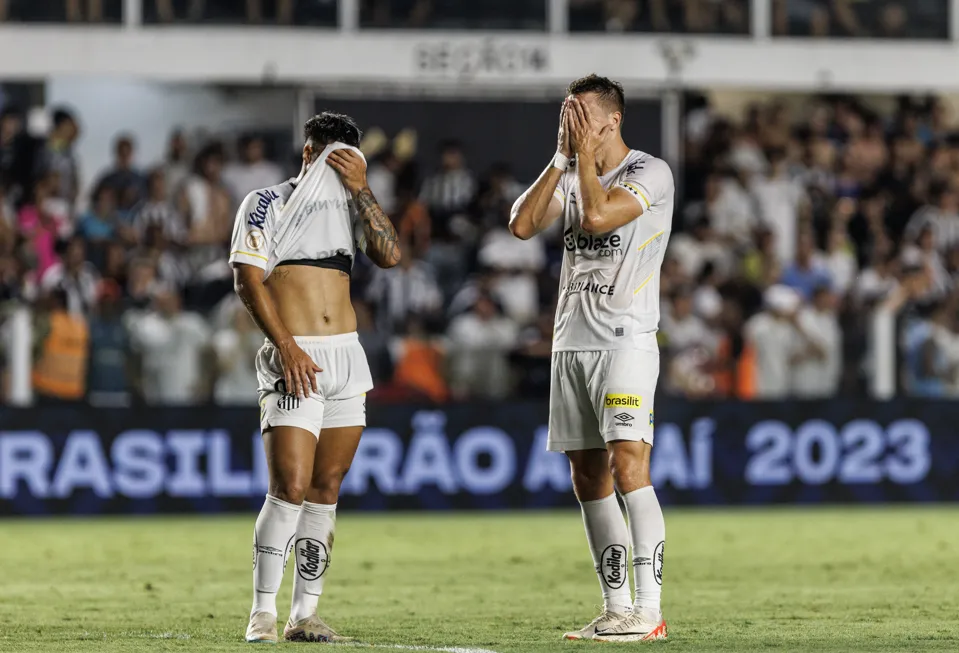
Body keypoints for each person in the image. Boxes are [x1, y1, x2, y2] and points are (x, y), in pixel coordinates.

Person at [509, 74, 673, 642]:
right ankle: (616, 606)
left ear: (612, 120)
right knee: (587, 477)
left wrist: (578, 160)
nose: (569, 124)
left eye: (578, 116)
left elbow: (600, 217)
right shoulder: (571, 170)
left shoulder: (650, 172)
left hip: (625, 340)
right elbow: (522, 225)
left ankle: (649, 610)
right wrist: (561, 157)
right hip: (569, 341)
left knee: (629, 465)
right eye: (564, 114)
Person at [230, 112, 400, 643]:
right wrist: (287, 346)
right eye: (331, 160)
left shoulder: (351, 210)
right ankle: (262, 612)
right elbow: (247, 278)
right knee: (290, 487)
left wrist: (363, 189)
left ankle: (305, 615)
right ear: (309, 154)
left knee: (325, 489)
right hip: (294, 356)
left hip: (346, 358)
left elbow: (390, 255)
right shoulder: (267, 202)